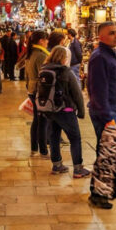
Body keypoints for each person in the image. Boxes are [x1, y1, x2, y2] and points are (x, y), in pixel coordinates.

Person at [86, 22, 116, 208]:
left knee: (108, 153)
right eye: (112, 33)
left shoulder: (109, 54)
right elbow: (98, 90)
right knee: (106, 154)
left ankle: (102, 191)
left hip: (111, 110)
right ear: (101, 37)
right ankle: (98, 194)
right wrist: (108, 117)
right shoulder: (100, 57)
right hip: (105, 113)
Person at [39, 46, 88, 177]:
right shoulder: (65, 71)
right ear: (63, 57)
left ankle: (57, 165)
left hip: (50, 109)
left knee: (54, 136)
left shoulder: (44, 69)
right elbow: (77, 93)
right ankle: (78, 169)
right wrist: (81, 111)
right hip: (65, 110)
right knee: (75, 138)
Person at [25, 31, 50, 157]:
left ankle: (34, 148)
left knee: (37, 120)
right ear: (41, 41)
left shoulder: (31, 53)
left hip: (32, 89)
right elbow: (44, 75)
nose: (47, 42)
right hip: (39, 91)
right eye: (46, 40)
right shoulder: (40, 55)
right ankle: (43, 150)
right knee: (42, 121)